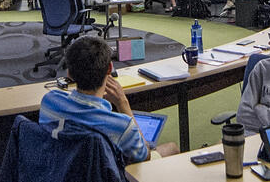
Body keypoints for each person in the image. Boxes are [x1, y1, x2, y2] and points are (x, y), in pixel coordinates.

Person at [39, 36, 181, 164]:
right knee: (171, 148)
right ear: (109, 69)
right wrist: (123, 104)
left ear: (69, 73)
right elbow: (145, 155)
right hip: (105, 174)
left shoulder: (49, 101)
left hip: (61, 170)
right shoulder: (122, 126)